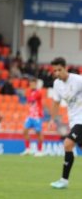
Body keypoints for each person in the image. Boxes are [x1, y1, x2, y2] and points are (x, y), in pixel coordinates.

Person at [49, 57, 82, 189]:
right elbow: (56, 103)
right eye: (55, 71)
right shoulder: (57, 84)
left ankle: (64, 180)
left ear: (65, 68)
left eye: (59, 70)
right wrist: (52, 119)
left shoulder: (78, 80)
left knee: (68, 144)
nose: (57, 73)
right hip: (73, 120)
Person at [20, 78, 45, 156]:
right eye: (31, 84)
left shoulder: (38, 92)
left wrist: (25, 95)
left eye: (33, 84)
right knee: (24, 130)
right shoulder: (29, 92)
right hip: (30, 115)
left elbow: (31, 99)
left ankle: (40, 151)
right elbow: (27, 100)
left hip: (37, 116)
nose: (32, 85)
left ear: (36, 84)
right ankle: (28, 149)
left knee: (38, 133)